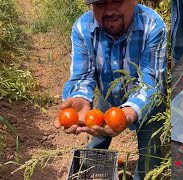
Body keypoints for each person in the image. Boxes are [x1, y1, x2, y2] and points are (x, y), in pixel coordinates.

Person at [54, 0, 168, 179]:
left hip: (149, 102)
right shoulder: (83, 28)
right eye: (99, 4)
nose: (109, 11)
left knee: (149, 157)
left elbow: (150, 83)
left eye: (117, 1)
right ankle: (87, 169)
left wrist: (128, 114)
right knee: (98, 136)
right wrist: (79, 98)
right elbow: (82, 76)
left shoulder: (153, 26)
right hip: (109, 97)